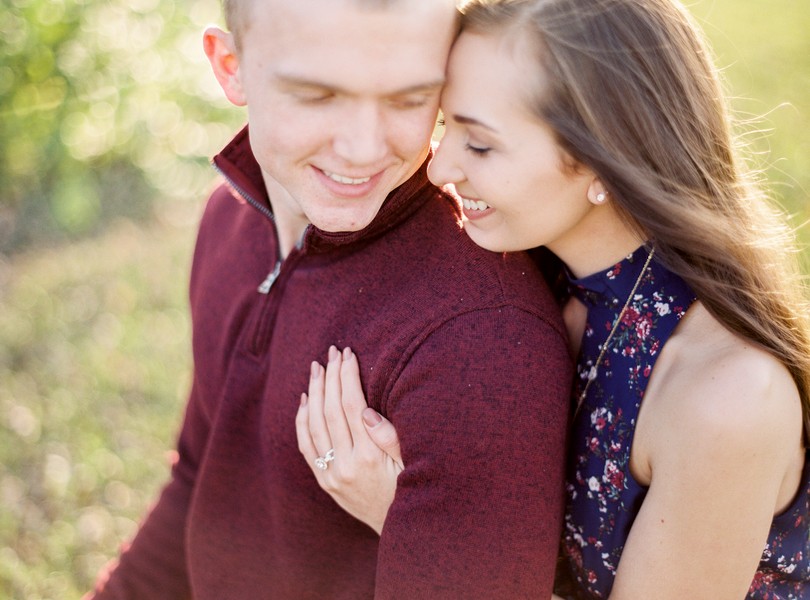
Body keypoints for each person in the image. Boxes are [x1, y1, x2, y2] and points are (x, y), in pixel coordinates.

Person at [295, 0, 810, 598]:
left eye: (481, 145)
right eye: (445, 126)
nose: (440, 170)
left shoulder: (728, 397)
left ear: (605, 159)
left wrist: (420, 526)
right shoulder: (526, 270)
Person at [87, 0, 574, 597]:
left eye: (408, 98)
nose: (364, 148)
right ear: (230, 65)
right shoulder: (228, 221)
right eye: (319, 95)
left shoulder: (484, 340)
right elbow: (197, 477)